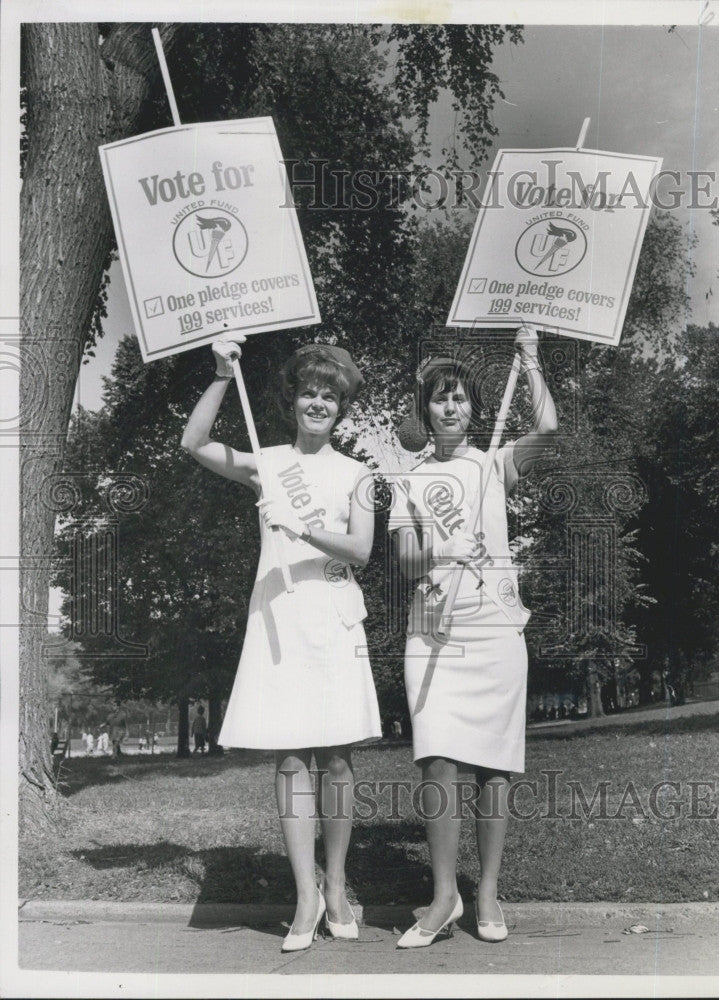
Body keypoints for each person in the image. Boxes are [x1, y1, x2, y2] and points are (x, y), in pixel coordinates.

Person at [181, 335, 381, 951]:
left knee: (338, 760)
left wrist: (302, 525)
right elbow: (192, 444)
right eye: (308, 393)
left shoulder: (358, 473)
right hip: (280, 621)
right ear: (292, 401)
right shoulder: (268, 462)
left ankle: (339, 885)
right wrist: (220, 374)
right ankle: (305, 895)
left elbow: (363, 551)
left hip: (334, 616)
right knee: (291, 760)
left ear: (341, 407)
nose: (317, 402)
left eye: (329, 395)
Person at [388, 327, 557, 947]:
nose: (451, 407)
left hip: (494, 631)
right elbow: (405, 562)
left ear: (473, 409)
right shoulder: (406, 478)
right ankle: (442, 898)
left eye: (460, 397)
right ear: (425, 411)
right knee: (436, 758)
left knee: (494, 768)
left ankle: (486, 893)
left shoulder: (494, 464)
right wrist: (440, 545)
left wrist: (531, 360)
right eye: (439, 399)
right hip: (433, 631)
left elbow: (548, 428)